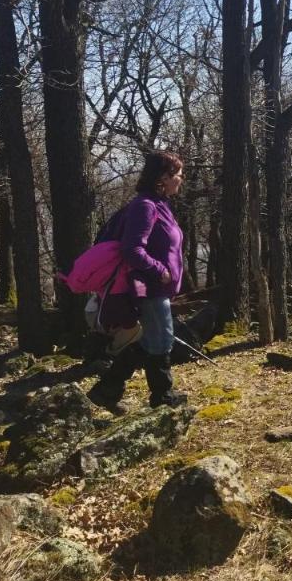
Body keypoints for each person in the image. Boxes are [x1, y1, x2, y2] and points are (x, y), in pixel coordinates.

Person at [87, 151, 188, 413]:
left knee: (147, 342)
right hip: (150, 287)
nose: (181, 179)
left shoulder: (160, 205)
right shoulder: (145, 206)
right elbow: (132, 249)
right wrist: (160, 270)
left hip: (158, 287)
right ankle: (163, 397)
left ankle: (105, 391)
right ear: (163, 178)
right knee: (162, 341)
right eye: (177, 175)